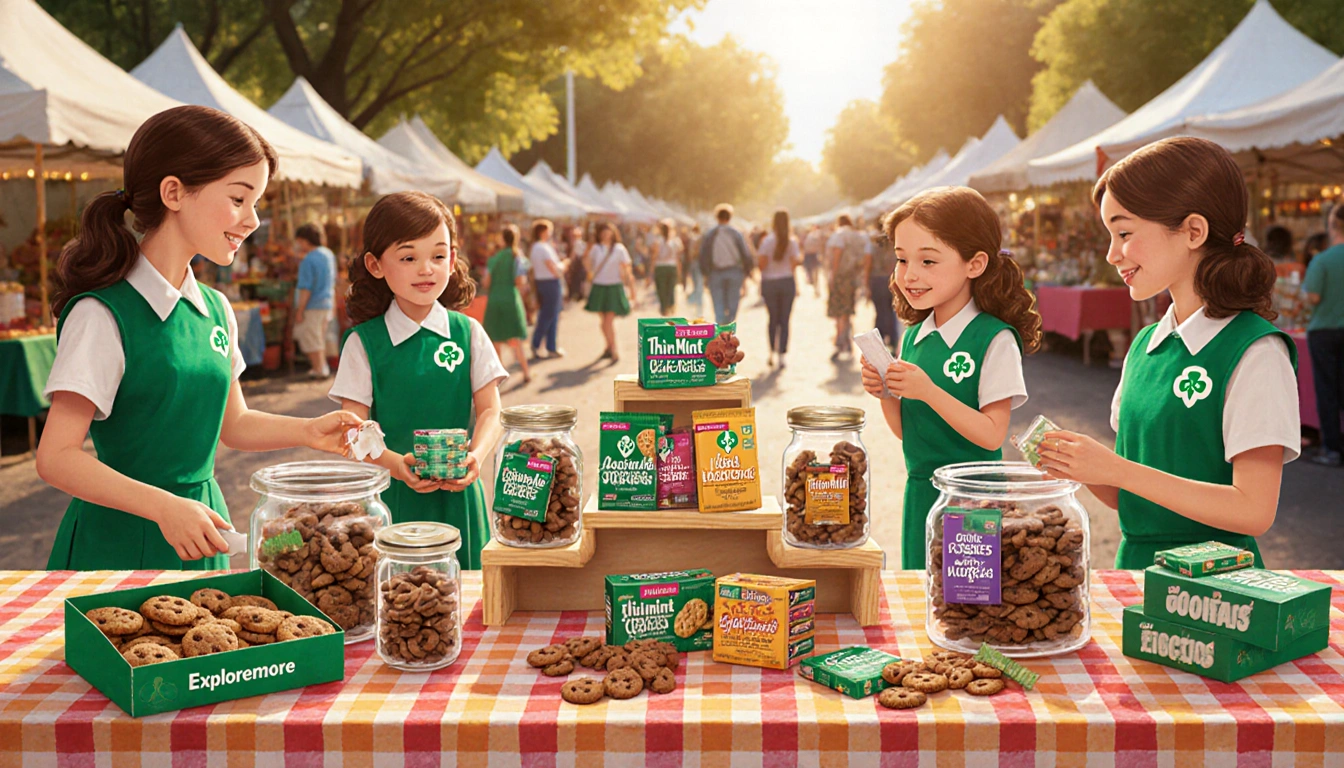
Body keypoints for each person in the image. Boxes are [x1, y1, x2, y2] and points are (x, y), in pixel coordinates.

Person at [38, 105, 360, 570]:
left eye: (256, 203)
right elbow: (56, 457)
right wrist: (164, 507)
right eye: (239, 198)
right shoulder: (101, 314)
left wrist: (307, 431)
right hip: (118, 542)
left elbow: (234, 424)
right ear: (173, 192)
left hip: (204, 528)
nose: (252, 220)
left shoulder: (216, 309)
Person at [1037, 137, 1300, 569]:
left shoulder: (1256, 351)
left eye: (1124, 233)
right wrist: (1079, 465)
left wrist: (1117, 469)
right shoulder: (1145, 346)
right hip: (1136, 575)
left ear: (1194, 231)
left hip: (1218, 587)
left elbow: (1253, 510)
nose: (1112, 254)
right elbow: (1130, 498)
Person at [861, 186, 1039, 570]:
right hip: (921, 492)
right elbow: (908, 432)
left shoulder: (994, 338)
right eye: (902, 259)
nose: (910, 275)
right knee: (922, 590)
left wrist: (928, 391)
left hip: (974, 498)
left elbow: (992, 434)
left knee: (968, 598)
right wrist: (886, 393)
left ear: (975, 264)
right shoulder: (914, 336)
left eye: (928, 261)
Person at [331, 192, 507, 569]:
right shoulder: (363, 343)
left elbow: (491, 411)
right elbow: (352, 430)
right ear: (376, 265)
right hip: (393, 496)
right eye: (409, 258)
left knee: (467, 590)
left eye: (438, 256)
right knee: (400, 593)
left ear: (453, 260)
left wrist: (476, 456)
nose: (426, 269)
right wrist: (397, 465)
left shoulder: (469, 333)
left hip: (461, 493)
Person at [1304, 203, 1344, 466]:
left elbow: (1313, 297)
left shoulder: (1322, 260)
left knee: (1327, 390)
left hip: (1324, 331)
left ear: (1333, 226)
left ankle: (1332, 449)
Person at [482, 224, 533, 384]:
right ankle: (526, 372)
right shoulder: (517, 257)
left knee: (495, 339)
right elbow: (520, 281)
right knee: (516, 339)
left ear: (502, 239)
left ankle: (500, 375)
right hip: (511, 299)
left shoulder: (494, 259)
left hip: (495, 299)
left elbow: (486, 282)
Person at [584, 222, 636, 362]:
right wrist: (587, 252)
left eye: (609, 233)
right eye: (604, 233)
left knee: (608, 321)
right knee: (603, 321)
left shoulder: (619, 249)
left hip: (614, 286)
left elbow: (627, 269)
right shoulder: (595, 248)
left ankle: (613, 350)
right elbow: (588, 267)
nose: (606, 235)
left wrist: (631, 289)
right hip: (599, 286)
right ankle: (608, 347)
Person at [758, 209, 802, 367]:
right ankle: (782, 354)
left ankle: (771, 351)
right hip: (787, 282)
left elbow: (761, 265)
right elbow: (795, 264)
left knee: (773, 318)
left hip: (770, 282)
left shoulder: (767, 241)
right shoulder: (792, 241)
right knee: (785, 319)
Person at [699, 204, 756, 325]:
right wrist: (748, 271)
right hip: (734, 271)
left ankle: (720, 324)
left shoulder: (710, 234)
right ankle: (729, 324)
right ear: (730, 217)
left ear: (717, 217)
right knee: (733, 301)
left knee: (718, 302)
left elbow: (703, 254)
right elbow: (745, 253)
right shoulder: (736, 233)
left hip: (715, 272)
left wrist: (705, 273)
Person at [292, 222, 336, 378]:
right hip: (327, 303)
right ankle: (321, 367)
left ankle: (319, 369)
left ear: (305, 240)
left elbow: (306, 288)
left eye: (299, 241)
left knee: (310, 337)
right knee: (319, 337)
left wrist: (300, 310)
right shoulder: (328, 255)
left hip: (312, 305)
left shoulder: (308, 260)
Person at [827, 214, 868, 360]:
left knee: (839, 311)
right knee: (848, 310)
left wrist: (832, 275)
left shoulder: (839, 235)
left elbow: (836, 255)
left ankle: (840, 339)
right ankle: (847, 340)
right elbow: (864, 258)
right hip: (852, 277)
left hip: (841, 277)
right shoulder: (859, 236)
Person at [528, 219, 566, 359]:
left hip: (545, 282)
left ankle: (551, 346)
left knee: (552, 314)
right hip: (549, 282)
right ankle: (537, 343)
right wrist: (563, 267)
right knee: (548, 314)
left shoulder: (539, 247)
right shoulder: (541, 248)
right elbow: (552, 268)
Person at [863, 226, 900, 353]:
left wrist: (866, 285)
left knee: (880, 311)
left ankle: (880, 340)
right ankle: (893, 339)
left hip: (877, 280)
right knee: (892, 311)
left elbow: (867, 265)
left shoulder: (872, 245)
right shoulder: (894, 245)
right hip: (892, 279)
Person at [650, 219, 684, 316]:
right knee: (671, 289)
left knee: (661, 289)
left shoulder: (657, 241)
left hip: (660, 267)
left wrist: (651, 271)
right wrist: (679, 271)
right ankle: (671, 306)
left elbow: (654, 257)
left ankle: (664, 308)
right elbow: (678, 258)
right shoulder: (676, 241)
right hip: (672, 267)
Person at [562, 225, 589, 303]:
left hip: (577, 264)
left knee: (574, 279)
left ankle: (574, 295)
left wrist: (569, 263)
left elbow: (574, 255)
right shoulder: (583, 243)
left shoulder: (577, 243)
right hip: (580, 264)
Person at [685, 223, 705, 313]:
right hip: (699, 263)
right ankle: (697, 303)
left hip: (694, 263)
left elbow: (690, 253)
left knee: (696, 284)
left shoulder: (693, 239)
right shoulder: (699, 239)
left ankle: (695, 302)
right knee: (699, 285)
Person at [802, 224, 825, 297]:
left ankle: (816, 289)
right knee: (813, 273)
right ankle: (816, 288)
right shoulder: (810, 236)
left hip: (812, 255)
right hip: (810, 255)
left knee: (814, 273)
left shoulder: (814, 235)